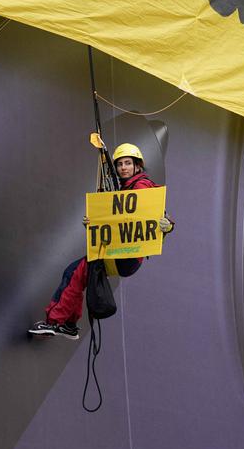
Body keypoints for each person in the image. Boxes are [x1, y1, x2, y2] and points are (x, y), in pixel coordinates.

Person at [28, 143, 173, 339]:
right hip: (122, 254)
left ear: (137, 166)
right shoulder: (124, 189)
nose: (123, 167)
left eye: (128, 163)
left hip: (125, 254)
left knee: (75, 273)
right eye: (120, 164)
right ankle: (68, 324)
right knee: (75, 272)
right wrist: (95, 222)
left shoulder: (140, 185)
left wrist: (167, 225)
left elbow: (152, 213)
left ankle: (56, 322)